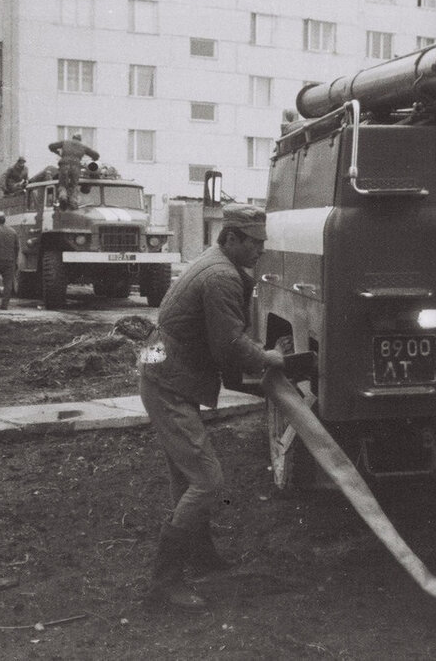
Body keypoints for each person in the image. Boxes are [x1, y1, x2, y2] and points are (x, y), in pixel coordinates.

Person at [137, 204, 285, 612]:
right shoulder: (221, 275)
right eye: (254, 242)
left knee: (187, 478)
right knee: (207, 480)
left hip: (163, 373)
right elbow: (229, 345)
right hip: (168, 382)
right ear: (232, 237)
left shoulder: (215, 261)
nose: (260, 250)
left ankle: (201, 557)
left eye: (262, 242)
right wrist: (268, 358)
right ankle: (163, 586)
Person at [47, 134, 100, 209]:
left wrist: (57, 152)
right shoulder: (83, 146)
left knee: (62, 184)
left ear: (73, 138)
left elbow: (51, 146)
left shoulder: (65, 142)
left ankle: (63, 197)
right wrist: (93, 159)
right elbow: (96, 155)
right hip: (76, 167)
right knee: (74, 185)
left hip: (64, 165)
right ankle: (73, 202)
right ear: (80, 139)